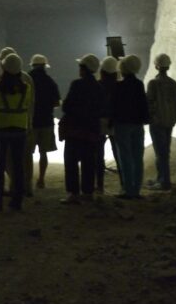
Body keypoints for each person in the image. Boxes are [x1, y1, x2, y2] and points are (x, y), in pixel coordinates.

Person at [0, 54, 33, 211]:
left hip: (1, 128)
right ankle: (17, 200)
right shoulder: (27, 89)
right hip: (20, 129)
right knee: (18, 164)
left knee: (0, 165)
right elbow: (28, 104)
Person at [59, 54, 104, 203]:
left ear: (84, 69)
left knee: (71, 162)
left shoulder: (76, 84)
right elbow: (101, 109)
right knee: (89, 162)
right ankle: (88, 193)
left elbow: (66, 106)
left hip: (75, 130)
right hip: (91, 131)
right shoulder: (98, 87)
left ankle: (73, 194)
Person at [111, 55, 150, 199]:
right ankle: (136, 190)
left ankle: (128, 190)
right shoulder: (139, 85)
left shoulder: (119, 86)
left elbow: (114, 106)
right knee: (137, 156)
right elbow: (143, 105)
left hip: (122, 124)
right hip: (137, 124)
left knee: (125, 157)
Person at [146, 53, 176, 191]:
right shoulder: (173, 84)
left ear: (156, 66)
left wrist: (154, 115)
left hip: (157, 123)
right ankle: (161, 178)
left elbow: (149, 103)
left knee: (160, 152)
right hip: (169, 122)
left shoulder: (153, 83)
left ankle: (164, 181)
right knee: (165, 151)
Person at [27, 54, 61, 192]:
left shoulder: (27, 80)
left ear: (33, 65)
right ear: (44, 66)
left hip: (30, 121)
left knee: (27, 153)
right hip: (46, 121)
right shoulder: (50, 81)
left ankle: (27, 180)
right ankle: (41, 179)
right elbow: (57, 102)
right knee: (43, 153)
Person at [97, 56, 122, 193]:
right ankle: (124, 184)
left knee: (99, 154)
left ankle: (99, 186)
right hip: (115, 122)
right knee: (118, 154)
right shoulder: (119, 86)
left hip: (100, 121)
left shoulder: (98, 85)